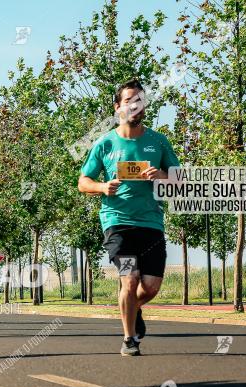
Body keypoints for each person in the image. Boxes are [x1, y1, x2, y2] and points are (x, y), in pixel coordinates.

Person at [78, 78, 180, 356]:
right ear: (118, 107)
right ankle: (129, 339)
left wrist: (161, 176)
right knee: (130, 277)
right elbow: (83, 181)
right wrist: (101, 186)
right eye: (129, 101)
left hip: (151, 223)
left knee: (150, 286)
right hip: (117, 224)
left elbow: (179, 180)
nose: (135, 106)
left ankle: (133, 308)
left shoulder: (158, 141)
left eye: (139, 101)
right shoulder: (105, 143)